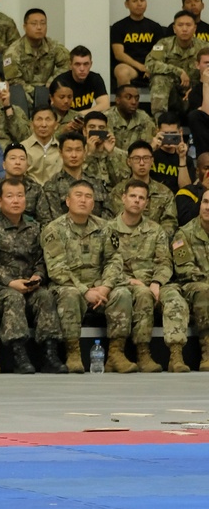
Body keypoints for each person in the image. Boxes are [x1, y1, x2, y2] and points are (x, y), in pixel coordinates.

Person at [0, 177, 66, 373]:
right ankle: (18, 354)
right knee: (13, 297)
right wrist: (11, 282)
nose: (16, 200)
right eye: (10, 196)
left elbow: (42, 259)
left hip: (29, 284)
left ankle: (50, 354)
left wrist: (38, 277)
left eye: (20, 196)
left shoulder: (35, 227)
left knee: (45, 296)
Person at [100, 181, 188, 372]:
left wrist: (156, 282)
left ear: (146, 203)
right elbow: (105, 264)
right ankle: (141, 352)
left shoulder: (156, 230)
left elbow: (165, 262)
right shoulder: (108, 229)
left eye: (141, 198)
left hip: (153, 282)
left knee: (175, 298)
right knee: (140, 293)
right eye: (133, 196)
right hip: (122, 283)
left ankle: (176, 355)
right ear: (123, 198)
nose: (137, 201)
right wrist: (128, 280)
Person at [41, 180, 112, 372]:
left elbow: (115, 260)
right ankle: (73, 352)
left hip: (99, 286)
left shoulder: (105, 227)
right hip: (67, 285)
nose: (83, 200)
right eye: (78, 196)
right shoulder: (54, 230)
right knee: (70, 294)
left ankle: (117, 353)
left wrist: (105, 286)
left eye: (88, 197)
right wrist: (85, 290)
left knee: (122, 294)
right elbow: (57, 269)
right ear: (67, 201)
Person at [169, 187, 209, 371]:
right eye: (206, 202)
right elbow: (184, 268)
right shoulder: (183, 234)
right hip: (191, 286)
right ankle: (207, 352)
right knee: (204, 290)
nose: (208, 208)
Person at [36, 133, 111, 225]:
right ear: (60, 152)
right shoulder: (52, 185)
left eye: (78, 150)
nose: (74, 155)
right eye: (69, 150)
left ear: (84, 152)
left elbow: (108, 212)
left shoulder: (96, 183)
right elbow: (51, 220)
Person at [109, 140, 178, 229]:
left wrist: (156, 238)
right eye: (137, 158)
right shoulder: (118, 191)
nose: (142, 163)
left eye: (146, 158)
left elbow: (170, 222)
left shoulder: (165, 192)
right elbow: (110, 220)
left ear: (152, 161)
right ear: (129, 162)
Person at [2, 10, 71, 97]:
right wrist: (37, 92)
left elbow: (67, 65)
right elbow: (13, 81)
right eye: (34, 24)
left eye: (43, 23)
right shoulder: (13, 52)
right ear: (24, 27)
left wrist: (53, 81)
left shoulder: (53, 46)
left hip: (49, 90)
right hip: (24, 94)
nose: (39, 27)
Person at [146, 11, 200, 118]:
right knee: (159, 79)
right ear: (174, 28)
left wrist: (196, 89)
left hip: (196, 94)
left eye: (188, 25)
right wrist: (177, 71)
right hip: (171, 94)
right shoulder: (163, 44)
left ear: (195, 28)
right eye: (180, 25)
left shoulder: (204, 47)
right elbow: (150, 64)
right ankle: (160, 122)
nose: (184, 29)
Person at [110, 0, 161, 88]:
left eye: (142, 0)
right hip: (129, 66)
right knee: (122, 72)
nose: (139, 4)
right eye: (135, 1)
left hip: (150, 66)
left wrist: (150, 67)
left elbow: (159, 51)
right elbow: (119, 54)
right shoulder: (118, 27)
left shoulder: (155, 27)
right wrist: (140, 66)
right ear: (127, 4)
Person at [51, 47, 109, 113]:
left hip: (84, 118)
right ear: (70, 65)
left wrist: (80, 115)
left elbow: (105, 105)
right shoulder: (60, 82)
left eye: (86, 64)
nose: (82, 69)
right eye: (77, 64)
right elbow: (55, 110)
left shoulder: (95, 78)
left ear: (91, 64)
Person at [107, 83, 156, 152]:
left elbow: (150, 142)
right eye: (128, 97)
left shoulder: (143, 117)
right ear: (117, 100)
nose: (134, 102)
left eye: (137, 98)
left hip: (139, 160)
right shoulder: (106, 118)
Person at [23, 106, 62, 186]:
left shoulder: (63, 149)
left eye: (48, 120)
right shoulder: (22, 148)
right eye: (39, 119)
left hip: (57, 193)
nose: (43, 125)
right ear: (31, 124)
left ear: (56, 125)